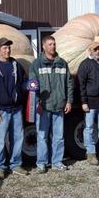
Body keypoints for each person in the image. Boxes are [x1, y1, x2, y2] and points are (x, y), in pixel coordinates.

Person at [0, 37, 28, 179]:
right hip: (1, 110)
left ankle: (15, 165)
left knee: (18, 138)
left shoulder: (16, 65)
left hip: (16, 109)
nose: (7, 50)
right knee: (0, 139)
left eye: (9, 47)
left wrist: (29, 86)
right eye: (4, 48)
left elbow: (22, 82)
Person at [29, 35, 74, 173]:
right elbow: (32, 87)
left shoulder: (62, 63)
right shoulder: (36, 64)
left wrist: (69, 101)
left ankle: (57, 162)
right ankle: (42, 163)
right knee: (42, 136)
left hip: (59, 106)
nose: (53, 46)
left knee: (59, 137)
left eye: (54, 44)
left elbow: (69, 83)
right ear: (43, 46)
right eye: (50, 44)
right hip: (43, 107)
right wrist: (37, 103)